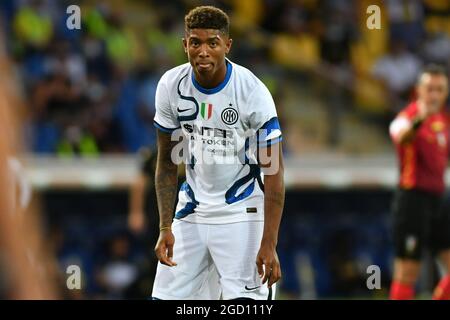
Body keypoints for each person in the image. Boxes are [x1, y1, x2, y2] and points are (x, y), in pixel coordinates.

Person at [151, 6, 285, 300]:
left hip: (242, 212)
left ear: (227, 45)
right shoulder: (171, 86)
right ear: (184, 45)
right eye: (196, 42)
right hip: (192, 211)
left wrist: (269, 242)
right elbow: (166, 162)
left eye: (213, 42)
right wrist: (164, 226)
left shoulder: (253, 93)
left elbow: (274, 173)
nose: (203, 51)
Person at [389, 64, 450, 300]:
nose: (434, 94)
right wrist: (419, 120)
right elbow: (400, 135)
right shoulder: (407, 118)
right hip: (412, 201)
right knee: (407, 273)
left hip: (440, 200)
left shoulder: (444, 122)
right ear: (419, 90)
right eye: (429, 89)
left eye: (439, 89)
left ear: (445, 92)